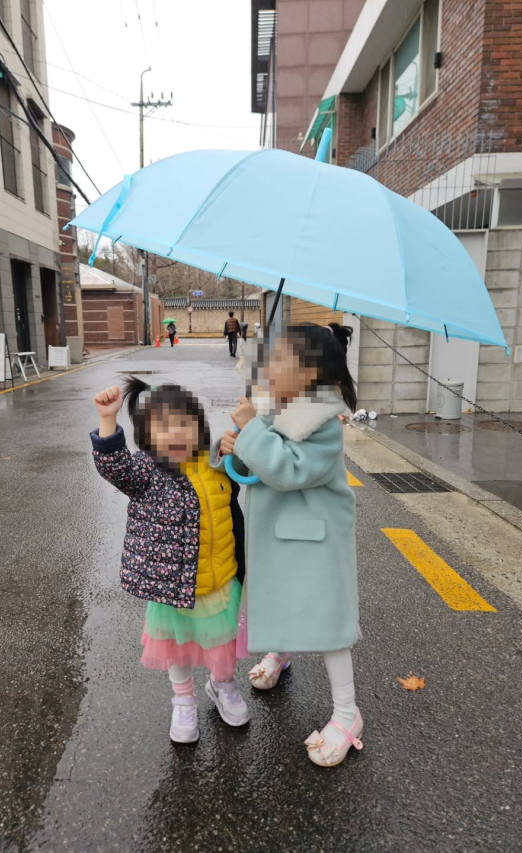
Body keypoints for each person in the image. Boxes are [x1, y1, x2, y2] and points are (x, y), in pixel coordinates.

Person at [219, 323, 361, 768]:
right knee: (279, 600)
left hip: (314, 541)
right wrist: (235, 447)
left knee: (328, 622)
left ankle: (347, 712)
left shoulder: (322, 423)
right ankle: (281, 653)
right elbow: (255, 467)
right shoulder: (271, 408)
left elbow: (288, 470)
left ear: (312, 373)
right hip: (280, 536)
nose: (271, 366)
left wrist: (250, 433)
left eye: (283, 360)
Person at [90, 377, 249, 744]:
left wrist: (238, 447)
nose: (175, 434)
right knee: (177, 647)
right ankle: (184, 700)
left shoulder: (216, 464)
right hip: (174, 589)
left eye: (184, 424)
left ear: (199, 427)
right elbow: (114, 466)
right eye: (162, 427)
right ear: (147, 436)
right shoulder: (146, 472)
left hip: (221, 580)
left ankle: (222, 685)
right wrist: (108, 420)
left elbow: (249, 474)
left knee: (223, 644)